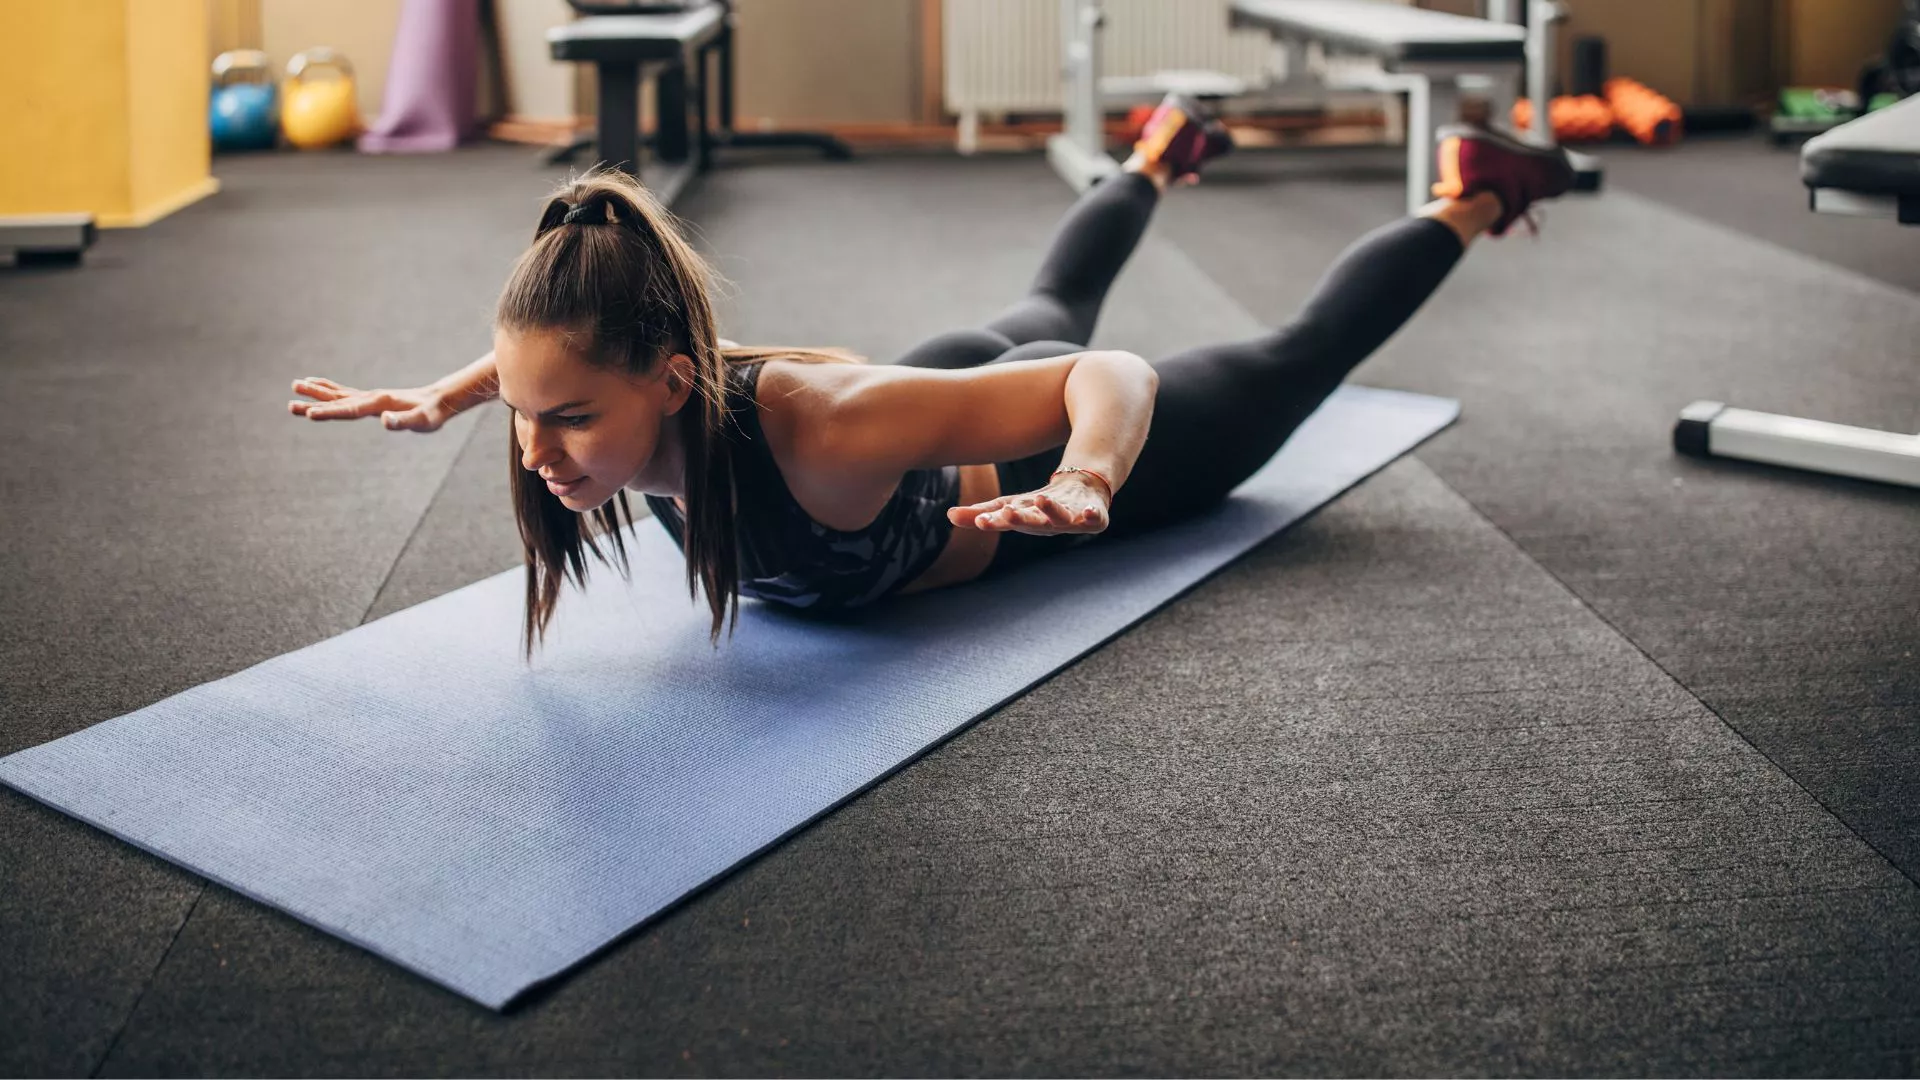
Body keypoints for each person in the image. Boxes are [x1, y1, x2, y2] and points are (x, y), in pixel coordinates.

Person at [288, 96, 1575, 652]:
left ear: (671, 384)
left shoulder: (823, 430)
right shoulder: (630, 373)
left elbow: (1104, 373)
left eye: (565, 422)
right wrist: (457, 394)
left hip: (1003, 470)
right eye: (526, 418)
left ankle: (1475, 193)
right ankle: (1159, 157)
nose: (540, 453)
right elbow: (572, 357)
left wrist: (1081, 480)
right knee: (1043, 302)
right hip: (928, 404)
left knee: (1289, 363)